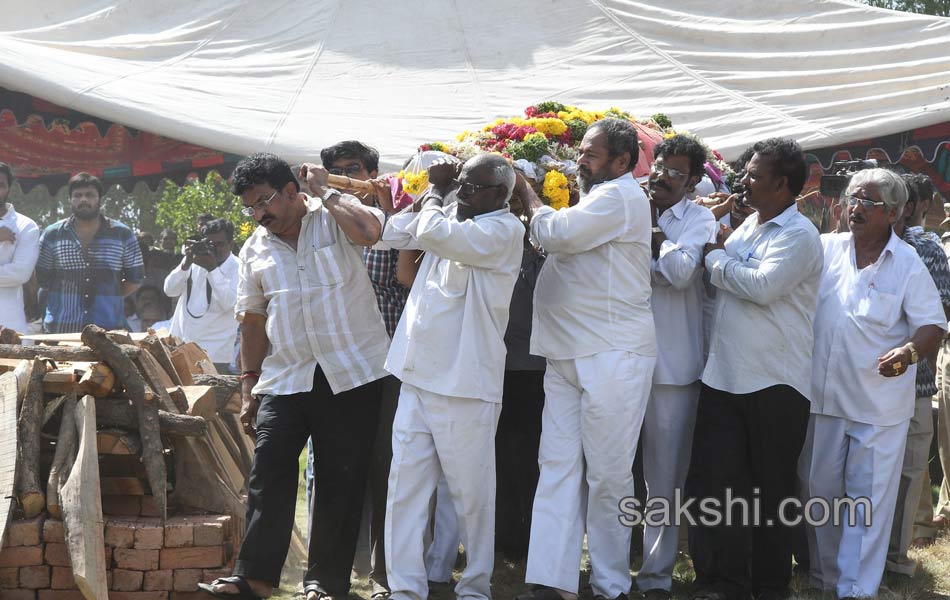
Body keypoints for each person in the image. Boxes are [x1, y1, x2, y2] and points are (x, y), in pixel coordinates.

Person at [199, 153, 390, 600]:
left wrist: (326, 189)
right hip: (285, 377)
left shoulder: (334, 218)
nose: (258, 214)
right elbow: (251, 320)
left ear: (291, 192)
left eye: (265, 201)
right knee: (267, 471)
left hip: (352, 373)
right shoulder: (255, 248)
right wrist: (249, 386)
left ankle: (324, 583)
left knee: (339, 480)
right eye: (250, 207)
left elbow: (372, 232)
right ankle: (256, 578)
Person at [516, 118, 656, 600]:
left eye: (591, 153)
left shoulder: (621, 196)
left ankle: (611, 584)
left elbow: (556, 234)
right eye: (581, 151)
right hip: (566, 353)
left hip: (612, 354)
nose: (580, 159)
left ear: (621, 162)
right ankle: (551, 579)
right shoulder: (598, 197)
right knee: (555, 465)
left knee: (608, 474)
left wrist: (526, 192)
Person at [380, 154, 523, 600]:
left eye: (472, 186)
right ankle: (406, 588)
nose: (462, 192)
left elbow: (432, 233)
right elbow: (391, 231)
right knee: (403, 488)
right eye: (459, 183)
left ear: (499, 195)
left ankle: (476, 587)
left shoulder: (504, 230)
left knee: (471, 495)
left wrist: (437, 193)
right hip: (416, 374)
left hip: (465, 384)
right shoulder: (449, 217)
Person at [686, 138, 823, 600]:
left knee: (771, 494)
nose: (745, 180)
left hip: (776, 383)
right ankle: (724, 583)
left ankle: (769, 585)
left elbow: (763, 287)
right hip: (724, 378)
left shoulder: (798, 234)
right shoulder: (751, 229)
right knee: (717, 487)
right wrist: (727, 257)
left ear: (782, 184)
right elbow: (738, 279)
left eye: (755, 174)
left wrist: (717, 258)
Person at [800, 168, 946, 598]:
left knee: (867, 503)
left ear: (895, 213)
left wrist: (909, 353)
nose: (855, 208)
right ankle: (826, 579)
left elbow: (932, 325)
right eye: (852, 199)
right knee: (818, 494)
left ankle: (856, 588)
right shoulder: (825, 249)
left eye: (869, 202)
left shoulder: (908, 263)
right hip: (823, 399)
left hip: (878, 408)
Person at [316, 140, 410, 598]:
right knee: (337, 465)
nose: (343, 177)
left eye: (352, 169)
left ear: (374, 174)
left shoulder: (396, 224)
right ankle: (338, 568)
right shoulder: (322, 224)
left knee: (386, 465)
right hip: (342, 364)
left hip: (390, 364)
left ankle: (385, 574)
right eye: (334, 171)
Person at [638, 135, 717, 600]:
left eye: (675, 173)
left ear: (691, 182)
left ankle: (655, 578)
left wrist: (655, 237)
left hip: (672, 367)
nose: (662, 177)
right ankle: (607, 568)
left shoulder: (700, 218)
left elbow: (684, 273)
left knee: (664, 479)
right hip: (620, 359)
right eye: (660, 167)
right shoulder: (628, 205)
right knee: (608, 470)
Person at [884, 173, 950, 572]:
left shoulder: (925, 248)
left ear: (907, 208)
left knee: (909, 472)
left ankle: (895, 555)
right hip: (854, 382)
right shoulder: (842, 246)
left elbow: (941, 314)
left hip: (915, 381)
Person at [36, 172, 144, 333]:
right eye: (77, 195)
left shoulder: (122, 234)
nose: (84, 200)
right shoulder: (53, 235)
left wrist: (108, 294)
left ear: (100, 199)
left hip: (108, 329)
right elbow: (43, 279)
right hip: (62, 329)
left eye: (90, 195)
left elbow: (135, 279)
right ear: (70, 200)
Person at [164, 218, 240, 373]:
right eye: (211, 244)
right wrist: (186, 263)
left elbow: (229, 303)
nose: (215, 249)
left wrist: (212, 269)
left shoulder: (239, 267)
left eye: (220, 244)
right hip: (180, 349)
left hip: (214, 355)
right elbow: (169, 290)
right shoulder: (194, 261)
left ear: (231, 244)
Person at [0, 162, 40, 333]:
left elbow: (20, 273)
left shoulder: (26, 226)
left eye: (0, 185)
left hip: (8, 323)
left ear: (9, 189)